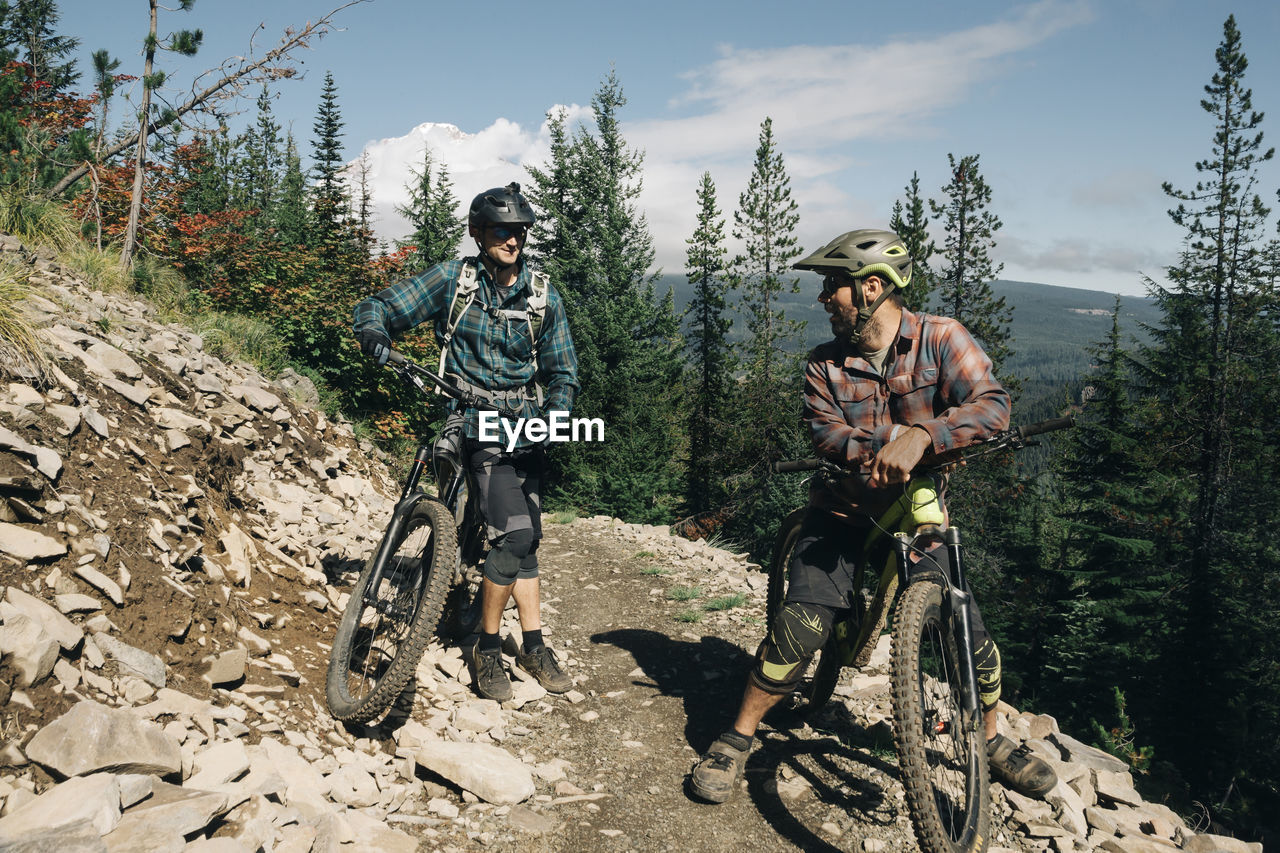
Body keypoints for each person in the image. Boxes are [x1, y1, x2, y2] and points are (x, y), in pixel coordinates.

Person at [690, 228, 1057, 803]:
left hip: (916, 512)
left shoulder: (941, 338)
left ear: (872, 288)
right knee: (802, 624)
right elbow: (827, 436)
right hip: (839, 507)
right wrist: (894, 443)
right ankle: (738, 736)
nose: (823, 299)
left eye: (832, 286)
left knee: (968, 628)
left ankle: (988, 739)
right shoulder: (824, 364)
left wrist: (923, 437)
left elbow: (993, 404)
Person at [352, 182, 579, 702]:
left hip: (525, 427)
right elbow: (382, 304)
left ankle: (535, 642)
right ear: (478, 233)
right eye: (502, 230)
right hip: (468, 420)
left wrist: (555, 416)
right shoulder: (455, 280)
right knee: (516, 535)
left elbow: (563, 372)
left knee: (527, 540)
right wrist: (375, 332)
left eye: (520, 231)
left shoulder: (544, 296)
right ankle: (486, 643)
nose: (513, 240)